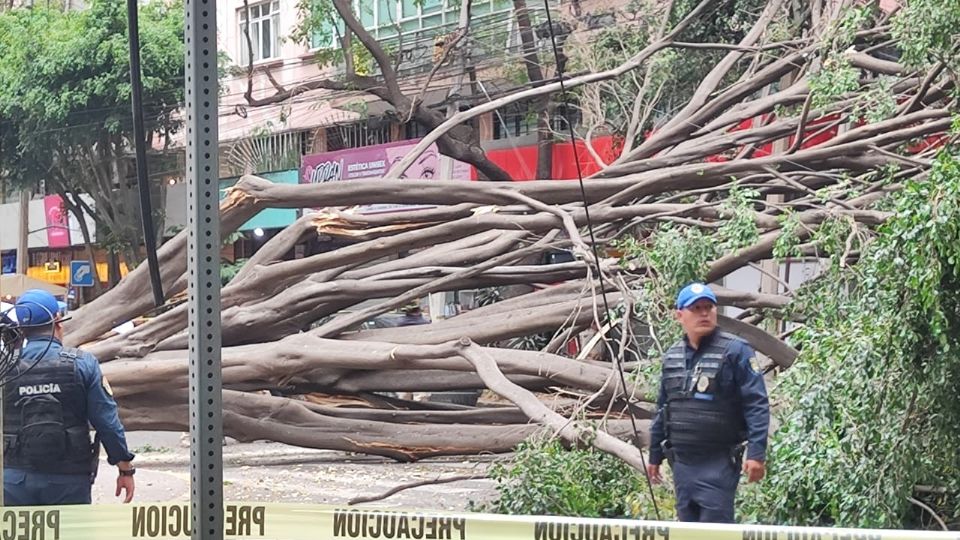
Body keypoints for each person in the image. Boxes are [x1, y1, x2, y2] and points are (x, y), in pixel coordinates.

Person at [646, 282, 769, 523]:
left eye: (709, 307)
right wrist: (653, 455)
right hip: (681, 464)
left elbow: (756, 404)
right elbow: (663, 408)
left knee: (714, 532)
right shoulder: (672, 356)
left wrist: (757, 453)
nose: (704, 313)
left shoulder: (736, 350)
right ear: (679, 315)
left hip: (718, 463)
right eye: (696, 308)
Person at [3, 289, 136, 505]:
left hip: (14, 480)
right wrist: (125, 469)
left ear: (22, 329)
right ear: (58, 321)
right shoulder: (82, 364)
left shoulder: (5, 367)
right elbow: (106, 422)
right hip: (68, 480)